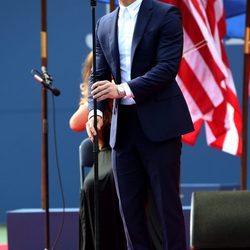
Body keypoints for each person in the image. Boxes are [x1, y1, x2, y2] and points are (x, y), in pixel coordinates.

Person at [86, 0, 194, 249]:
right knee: (129, 210)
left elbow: (167, 68)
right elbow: (98, 76)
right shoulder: (104, 23)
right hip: (122, 130)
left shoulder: (165, 14)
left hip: (160, 125)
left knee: (166, 206)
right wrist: (96, 112)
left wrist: (122, 90)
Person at [70, 51, 126, 250]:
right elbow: (75, 123)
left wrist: (118, 89)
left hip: (128, 150)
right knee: (92, 183)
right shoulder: (93, 95)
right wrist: (98, 98)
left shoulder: (125, 85)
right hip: (105, 155)